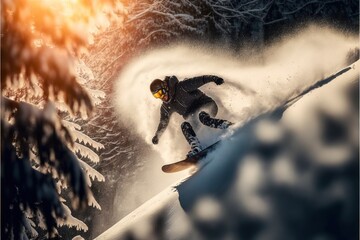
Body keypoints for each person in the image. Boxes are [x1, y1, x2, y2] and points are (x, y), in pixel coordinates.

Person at [150, 75, 233, 156]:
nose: (161, 97)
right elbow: (163, 122)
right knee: (184, 126)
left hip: (207, 105)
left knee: (202, 116)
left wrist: (214, 79)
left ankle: (226, 125)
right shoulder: (166, 107)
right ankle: (196, 148)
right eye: (156, 96)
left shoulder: (181, 87)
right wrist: (157, 135)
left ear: (165, 87)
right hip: (194, 118)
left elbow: (201, 79)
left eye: (160, 93)